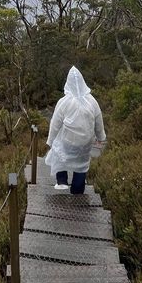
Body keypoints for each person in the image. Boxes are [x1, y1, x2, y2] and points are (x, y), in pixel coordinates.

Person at [44, 66, 106, 194]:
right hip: (85, 143)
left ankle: (62, 180)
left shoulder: (64, 102)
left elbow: (55, 123)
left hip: (68, 142)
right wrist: (101, 138)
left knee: (58, 149)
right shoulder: (92, 101)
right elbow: (98, 122)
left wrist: (50, 141)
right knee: (82, 164)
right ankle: (78, 189)